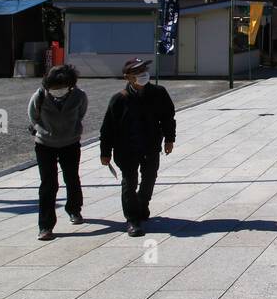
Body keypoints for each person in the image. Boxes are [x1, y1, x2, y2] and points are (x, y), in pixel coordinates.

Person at [99, 58, 175, 237]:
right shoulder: (119, 99)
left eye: (144, 71)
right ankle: (132, 220)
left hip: (150, 145)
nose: (143, 75)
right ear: (128, 77)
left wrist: (169, 139)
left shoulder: (158, 92)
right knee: (129, 181)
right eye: (138, 73)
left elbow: (168, 117)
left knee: (149, 178)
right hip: (126, 147)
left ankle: (143, 203)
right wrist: (105, 152)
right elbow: (107, 128)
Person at [27, 64, 87, 241]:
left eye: (62, 87)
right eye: (54, 87)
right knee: (48, 183)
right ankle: (45, 226)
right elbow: (33, 116)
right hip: (45, 144)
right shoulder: (40, 96)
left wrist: (72, 130)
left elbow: (81, 114)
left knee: (72, 177)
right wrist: (43, 131)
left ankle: (74, 209)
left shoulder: (79, 96)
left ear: (70, 85)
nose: (57, 90)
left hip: (70, 143)